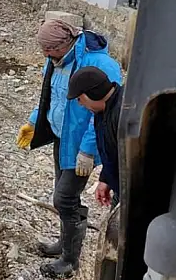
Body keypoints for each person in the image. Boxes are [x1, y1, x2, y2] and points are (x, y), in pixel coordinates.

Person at [15, 18, 122, 278]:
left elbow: (103, 117)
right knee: (62, 195)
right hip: (62, 138)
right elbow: (50, 98)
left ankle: (70, 260)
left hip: (82, 144)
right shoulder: (55, 62)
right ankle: (64, 244)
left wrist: (87, 150)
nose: (45, 56)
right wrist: (33, 121)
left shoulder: (101, 65)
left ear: (64, 44)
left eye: (49, 51)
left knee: (64, 198)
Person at [67, 66, 123, 208]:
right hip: (120, 188)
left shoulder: (123, 113)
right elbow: (112, 153)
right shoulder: (102, 111)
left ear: (90, 94)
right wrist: (106, 179)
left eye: (79, 98)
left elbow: (128, 158)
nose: (80, 103)